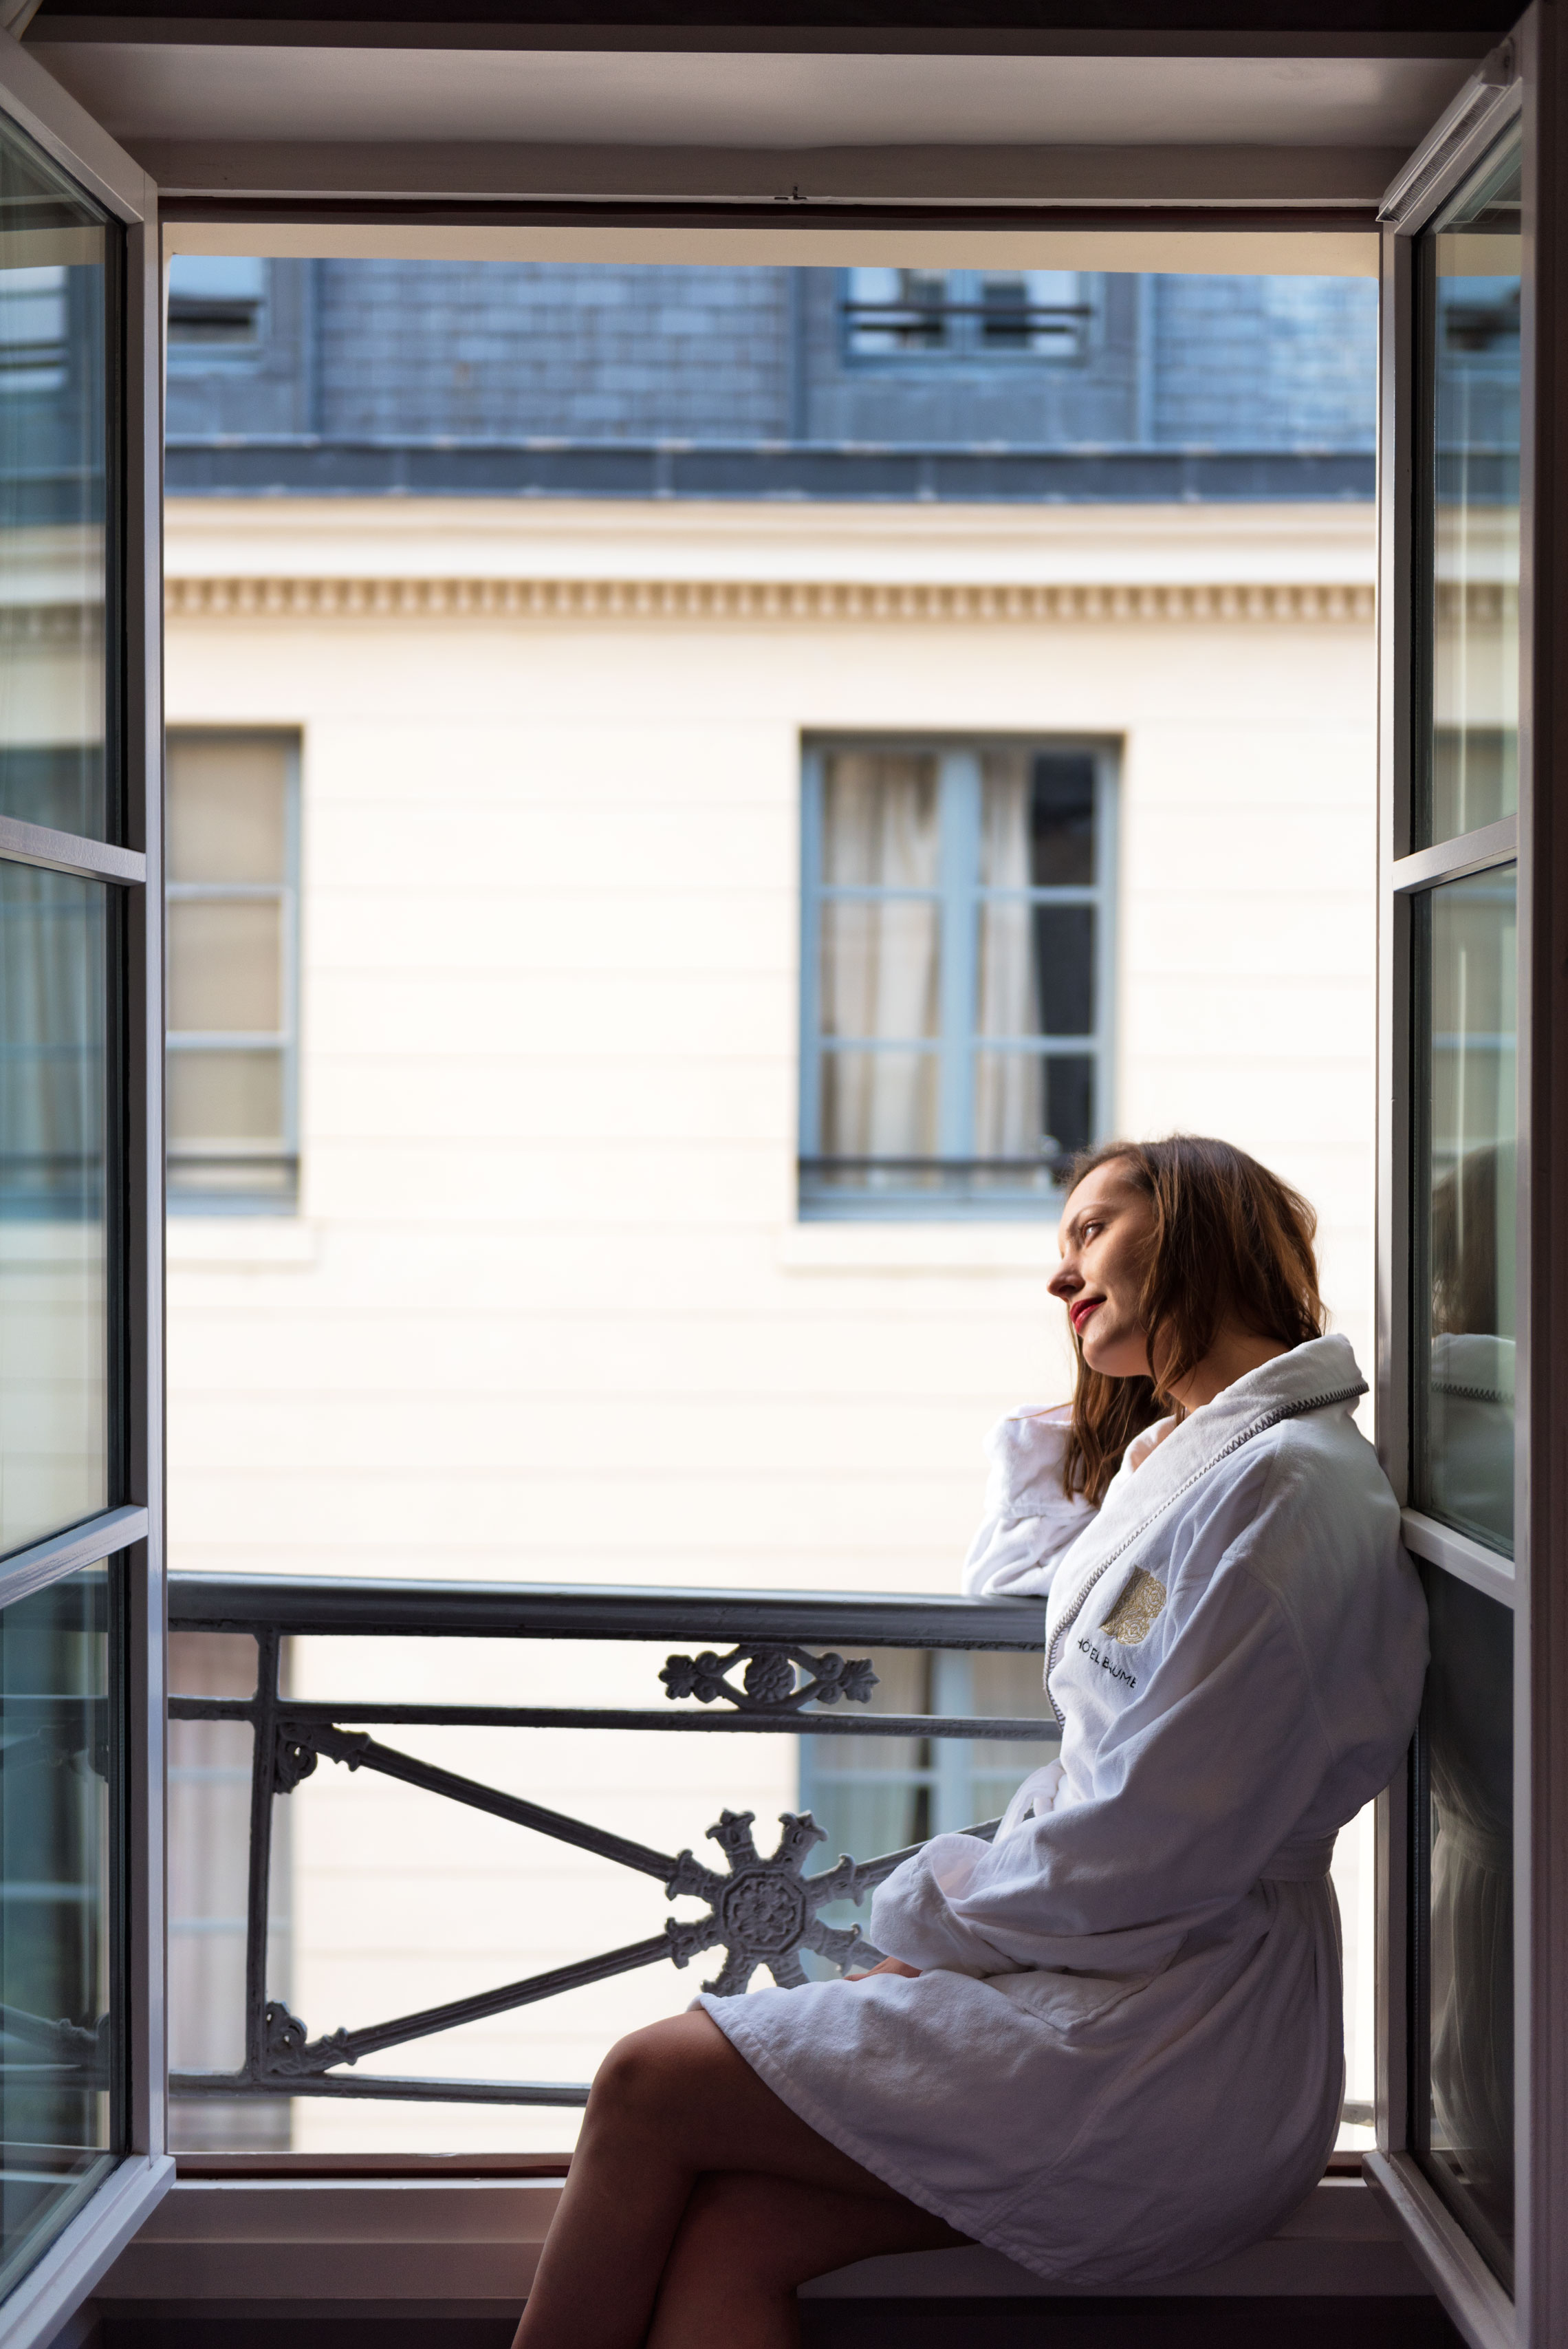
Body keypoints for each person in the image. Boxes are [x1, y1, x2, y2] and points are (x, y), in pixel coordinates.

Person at [512, 1136, 1428, 2349]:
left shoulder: (1281, 1498)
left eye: (1092, 1232)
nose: (1062, 1279)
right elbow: (1032, 1574)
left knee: (645, 2082)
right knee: (737, 2234)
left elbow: (1149, 1845)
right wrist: (1080, 1417)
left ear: (1196, 1233)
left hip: (1177, 2044)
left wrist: (927, 1937)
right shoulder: (1212, 1462)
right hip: (1130, 1972)